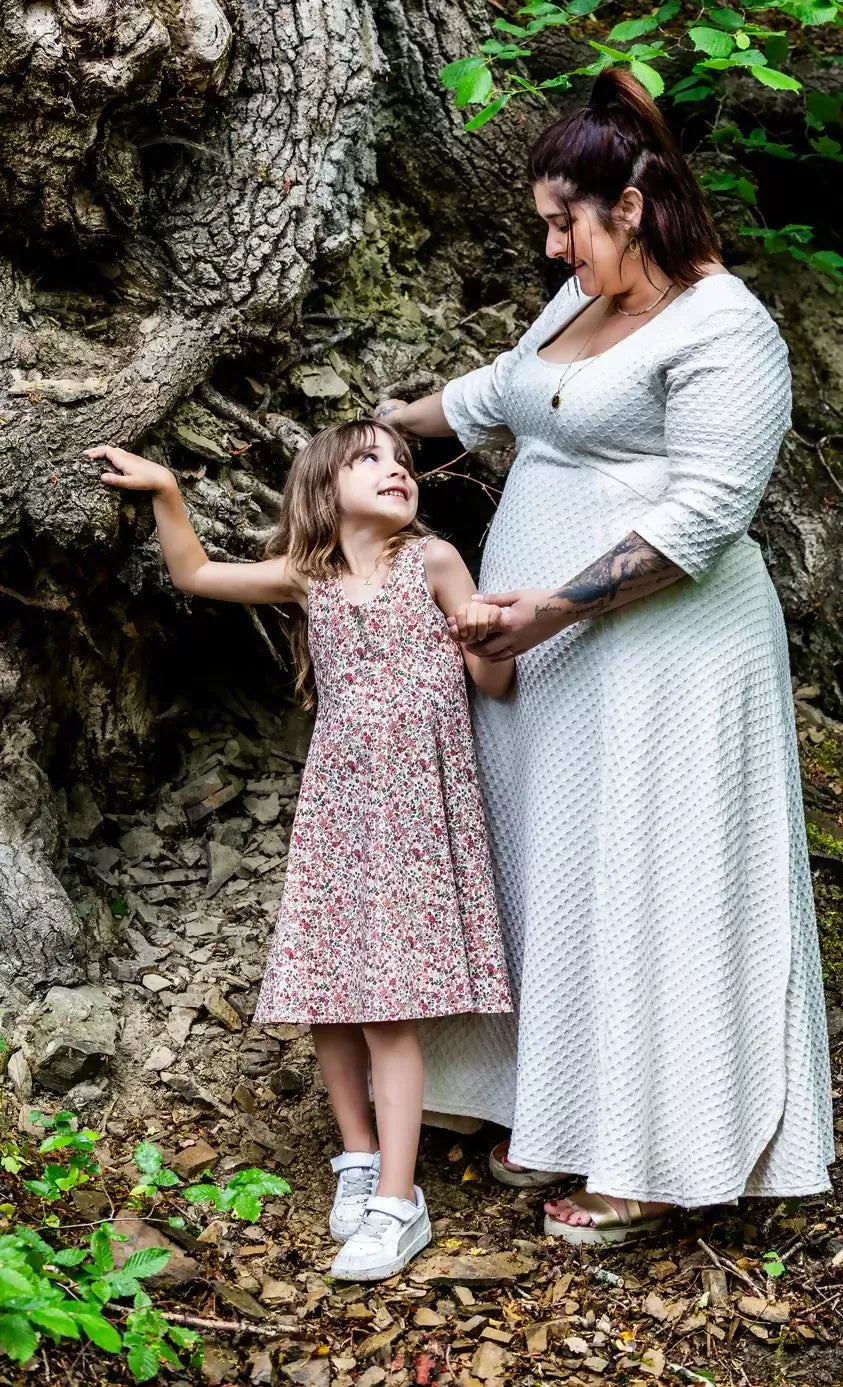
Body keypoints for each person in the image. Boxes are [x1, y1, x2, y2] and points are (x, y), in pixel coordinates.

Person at [376, 66, 835, 1245]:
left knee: (647, 877)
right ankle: (556, 1107)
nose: (548, 246)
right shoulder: (577, 302)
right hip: (549, 650)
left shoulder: (726, 325)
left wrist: (547, 611)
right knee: (555, 866)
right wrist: (372, 429)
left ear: (626, 209)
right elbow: (491, 396)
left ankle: (653, 1152)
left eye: (560, 221)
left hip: (665, 649)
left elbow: (702, 516)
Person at [89, 421, 514, 1279]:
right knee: (329, 991)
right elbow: (195, 573)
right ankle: (359, 1157)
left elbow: (494, 683)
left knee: (387, 1006)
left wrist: (480, 633)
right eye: (371, 460)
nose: (397, 471)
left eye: (403, 461)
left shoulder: (432, 562)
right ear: (325, 487)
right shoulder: (308, 576)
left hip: (417, 812)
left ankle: (401, 1201)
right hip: (340, 811)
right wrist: (168, 489)